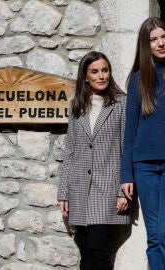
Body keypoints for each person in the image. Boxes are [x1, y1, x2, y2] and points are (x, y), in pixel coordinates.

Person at [57, 51, 130, 270]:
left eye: (105, 70)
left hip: (107, 191)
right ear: (85, 76)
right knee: (87, 252)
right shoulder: (76, 107)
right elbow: (70, 150)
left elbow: (126, 148)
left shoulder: (122, 104)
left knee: (97, 252)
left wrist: (122, 191)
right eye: (95, 71)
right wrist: (63, 192)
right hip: (79, 191)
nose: (101, 76)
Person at [121, 17, 165, 270]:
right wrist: (126, 174)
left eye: (164, 37)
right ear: (146, 46)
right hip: (144, 166)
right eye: (153, 39)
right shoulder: (137, 80)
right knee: (154, 237)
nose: (160, 43)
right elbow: (130, 132)